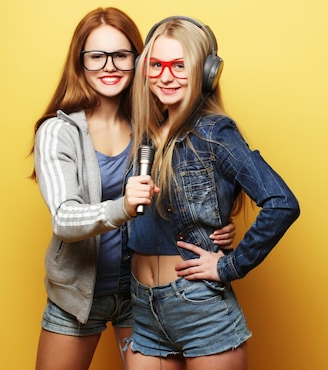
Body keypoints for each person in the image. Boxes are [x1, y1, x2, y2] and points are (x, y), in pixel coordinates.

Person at [30, 8, 236, 370]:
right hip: (78, 295)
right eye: (96, 56)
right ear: (79, 63)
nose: (109, 66)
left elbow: (190, 187)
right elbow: (64, 218)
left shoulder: (153, 126)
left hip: (141, 295)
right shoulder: (57, 132)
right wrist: (121, 207)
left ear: (139, 62)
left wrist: (214, 227)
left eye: (121, 55)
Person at [124, 16, 300, 370]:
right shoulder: (147, 134)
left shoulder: (215, 133)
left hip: (199, 307)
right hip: (143, 309)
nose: (166, 76)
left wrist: (228, 266)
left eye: (180, 65)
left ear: (206, 72)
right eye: (156, 65)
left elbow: (282, 203)